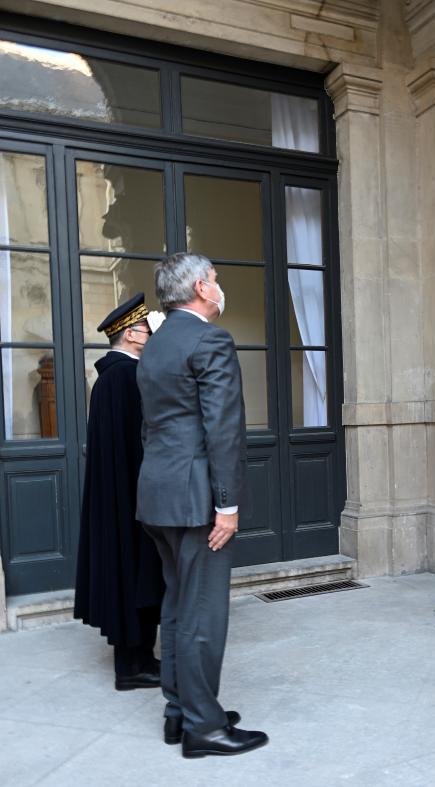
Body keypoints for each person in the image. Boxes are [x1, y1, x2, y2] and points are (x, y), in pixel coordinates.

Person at [136, 253, 268, 758]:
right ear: (198, 287)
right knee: (203, 615)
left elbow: (152, 427)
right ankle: (204, 729)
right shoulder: (209, 338)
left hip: (159, 495)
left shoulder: (156, 343)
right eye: (214, 279)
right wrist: (227, 505)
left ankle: (181, 711)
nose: (219, 285)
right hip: (196, 501)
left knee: (176, 607)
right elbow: (223, 429)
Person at [74, 293, 165, 691]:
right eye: (146, 327)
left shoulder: (110, 377)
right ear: (131, 334)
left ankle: (137, 660)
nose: (150, 333)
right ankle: (134, 666)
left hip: (121, 496)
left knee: (131, 576)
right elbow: (140, 444)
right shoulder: (126, 377)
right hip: (133, 498)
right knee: (138, 577)